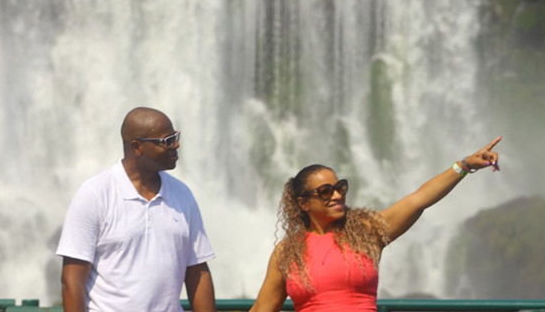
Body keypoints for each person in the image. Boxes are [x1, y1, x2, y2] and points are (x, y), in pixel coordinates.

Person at [249, 136, 502, 312]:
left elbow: (419, 199)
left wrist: (465, 165)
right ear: (303, 204)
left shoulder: (365, 231)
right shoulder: (287, 251)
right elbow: (263, 308)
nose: (337, 195)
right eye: (326, 191)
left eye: (340, 187)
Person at [56, 107, 216, 312]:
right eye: (167, 141)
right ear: (136, 147)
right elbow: (72, 280)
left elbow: (198, 272)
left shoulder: (183, 195)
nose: (176, 145)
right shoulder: (94, 194)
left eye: (176, 137)